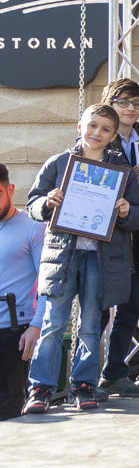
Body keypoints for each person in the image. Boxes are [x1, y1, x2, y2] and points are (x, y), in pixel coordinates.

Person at [22, 105, 139, 414]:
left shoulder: (122, 171)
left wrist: (126, 212)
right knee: (53, 324)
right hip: (63, 255)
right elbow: (32, 203)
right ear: (80, 126)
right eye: (92, 125)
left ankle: (84, 384)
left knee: (91, 325)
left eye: (105, 129)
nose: (97, 133)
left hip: (100, 259)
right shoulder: (59, 163)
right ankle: (41, 388)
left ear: (113, 135)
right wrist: (47, 203)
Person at [96, 78, 139, 397]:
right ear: (111, 102)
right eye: (124, 102)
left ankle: (115, 373)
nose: (132, 109)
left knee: (130, 311)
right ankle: (84, 376)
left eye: (137, 103)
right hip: (109, 239)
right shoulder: (99, 140)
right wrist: (127, 177)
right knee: (98, 313)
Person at [0, 164, 46, 419]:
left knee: (8, 414)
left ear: (10, 190)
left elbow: (48, 284)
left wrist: (36, 327)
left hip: (13, 334)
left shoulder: (33, 227)